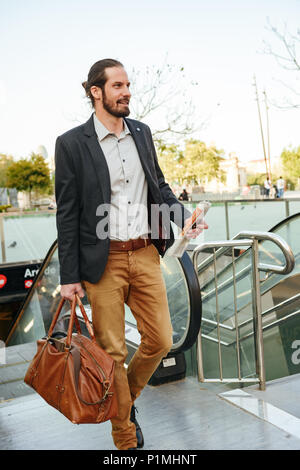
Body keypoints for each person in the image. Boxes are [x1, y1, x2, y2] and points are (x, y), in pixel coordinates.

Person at [54, 59, 208, 451]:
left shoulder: (142, 132)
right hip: (101, 263)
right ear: (96, 92)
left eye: (128, 85)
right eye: (118, 85)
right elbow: (67, 213)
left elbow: (160, 186)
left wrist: (182, 219)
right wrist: (69, 276)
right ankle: (125, 438)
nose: (126, 92)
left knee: (160, 339)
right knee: (113, 352)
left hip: (144, 254)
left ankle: (123, 403)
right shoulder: (71, 144)